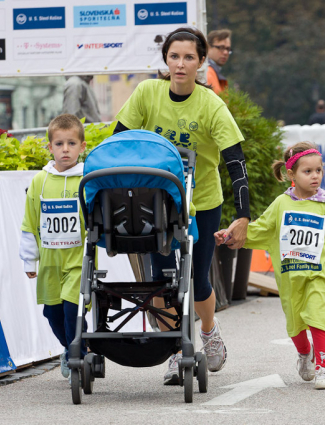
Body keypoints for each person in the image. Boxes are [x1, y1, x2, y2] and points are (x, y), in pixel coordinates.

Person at [113, 27, 250, 384]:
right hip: (156, 201)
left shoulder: (210, 104)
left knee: (197, 278)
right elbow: (118, 141)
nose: (181, 64)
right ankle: (176, 349)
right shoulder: (147, 93)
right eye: (174, 56)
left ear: (201, 62)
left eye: (189, 57)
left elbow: (235, 161)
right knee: (160, 279)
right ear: (166, 60)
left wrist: (243, 215)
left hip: (201, 200)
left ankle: (208, 329)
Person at [216, 142, 325, 389]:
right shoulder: (281, 204)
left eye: (318, 170)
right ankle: (304, 353)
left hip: (320, 276)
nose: (315, 176)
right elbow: (261, 229)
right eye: (307, 172)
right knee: (296, 326)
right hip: (289, 280)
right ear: (291, 175)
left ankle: (324, 367)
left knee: (319, 318)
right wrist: (232, 236)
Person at [19, 114, 88, 381]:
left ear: (82, 147)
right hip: (50, 262)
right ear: (50, 147)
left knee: (73, 311)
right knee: (53, 314)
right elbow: (29, 222)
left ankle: (76, 359)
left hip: (78, 261)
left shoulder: (88, 179)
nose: (65, 149)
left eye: (71, 143)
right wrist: (29, 260)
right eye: (59, 144)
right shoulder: (40, 181)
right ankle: (70, 349)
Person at [206, 29, 232, 94]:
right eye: (221, 48)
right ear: (208, 48)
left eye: (228, 49)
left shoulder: (213, 71)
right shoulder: (207, 72)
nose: (226, 52)